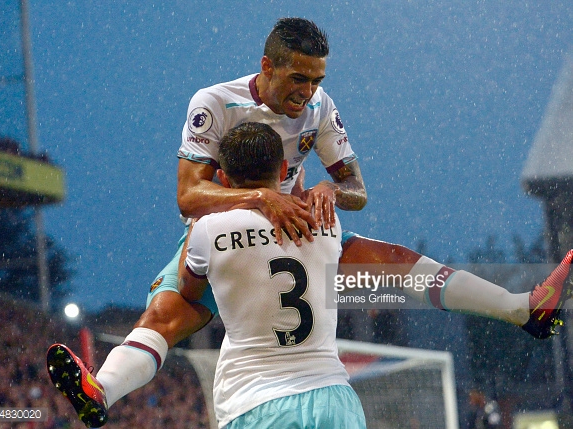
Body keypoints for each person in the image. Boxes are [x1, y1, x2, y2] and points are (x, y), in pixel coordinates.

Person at [46, 17, 573, 427]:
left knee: (393, 266)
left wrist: (328, 189)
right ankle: (102, 393)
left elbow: (356, 190)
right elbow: (188, 196)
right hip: (252, 233)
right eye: (299, 78)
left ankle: (522, 310)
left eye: (318, 79)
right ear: (266, 67)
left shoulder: (319, 108)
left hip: (270, 236)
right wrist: (262, 199)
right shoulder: (213, 103)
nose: (308, 92)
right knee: (167, 313)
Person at [178, 121, 366, 428]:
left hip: (256, 399)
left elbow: (188, 290)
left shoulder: (209, 229)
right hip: (335, 401)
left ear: (223, 178)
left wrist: (204, 211)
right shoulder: (327, 222)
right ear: (282, 170)